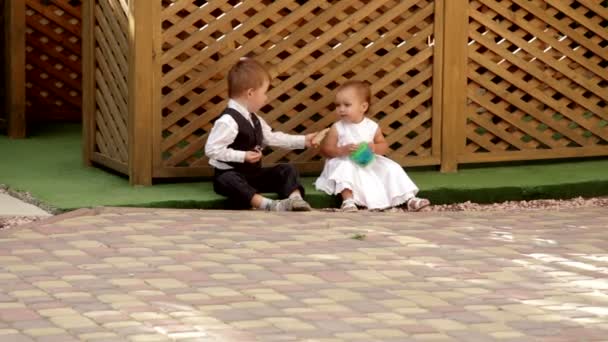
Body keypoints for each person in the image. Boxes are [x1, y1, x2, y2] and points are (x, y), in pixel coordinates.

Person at [205, 57, 319, 211]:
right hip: (232, 175)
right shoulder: (228, 121)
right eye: (265, 92)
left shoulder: (254, 118)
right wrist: (242, 156)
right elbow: (212, 150)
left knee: (287, 169)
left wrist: (304, 140)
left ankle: (295, 199)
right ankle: (268, 204)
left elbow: (272, 137)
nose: (266, 97)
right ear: (250, 93)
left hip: (253, 175)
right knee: (227, 179)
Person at [314, 80, 430, 212]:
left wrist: (374, 147)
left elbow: (383, 145)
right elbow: (326, 150)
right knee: (344, 169)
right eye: (337, 105)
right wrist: (342, 150)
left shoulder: (372, 126)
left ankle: (409, 199)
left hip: (367, 160)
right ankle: (348, 200)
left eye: (347, 105)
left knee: (392, 168)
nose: (341, 109)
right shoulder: (338, 128)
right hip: (345, 160)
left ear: (363, 107)